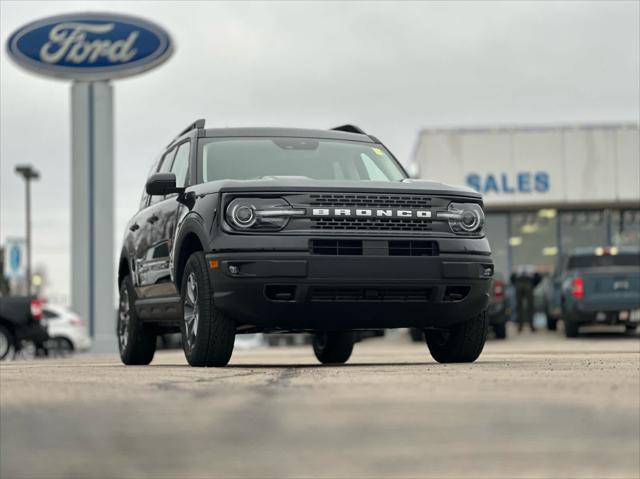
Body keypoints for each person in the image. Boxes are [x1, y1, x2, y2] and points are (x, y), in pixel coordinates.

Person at [510, 266, 542, 332]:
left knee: (521, 306)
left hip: (522, 283)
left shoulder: (520, 269)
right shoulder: (531, 269)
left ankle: (521, 326)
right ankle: (529, 326)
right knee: (528, 306)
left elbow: (512, 278)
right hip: (527, 284)